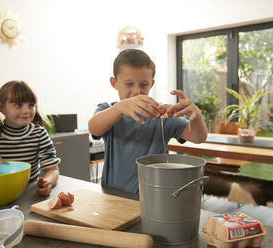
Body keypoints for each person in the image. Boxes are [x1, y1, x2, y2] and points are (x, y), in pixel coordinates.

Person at [88, 49, 208, 193]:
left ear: (151, 84)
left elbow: (198, 137)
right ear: (114, 83)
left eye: (143, 85)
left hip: (153, 198)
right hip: (112, 197)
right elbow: (93, 128)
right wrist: (120, 107)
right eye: (129, 84)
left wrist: (196, 116)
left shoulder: (163, 115)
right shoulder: (109, 110)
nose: (137, 91)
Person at [0, 80, 60, 196]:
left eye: (31, 105)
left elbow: (52, 169)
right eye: (18, 105)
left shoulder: (39, 134)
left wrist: (48, 182)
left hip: (29, 193)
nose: (26, 111)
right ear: (1, 108)